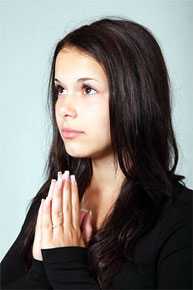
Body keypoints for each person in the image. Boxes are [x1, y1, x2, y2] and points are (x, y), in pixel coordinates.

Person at [1, 18, 192, 290]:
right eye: (60, 89)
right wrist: (40, 272)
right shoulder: (54, 202)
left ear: (135, 96)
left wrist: (66, 265)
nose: (64, 108)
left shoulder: (182, 220)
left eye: (87, 89)